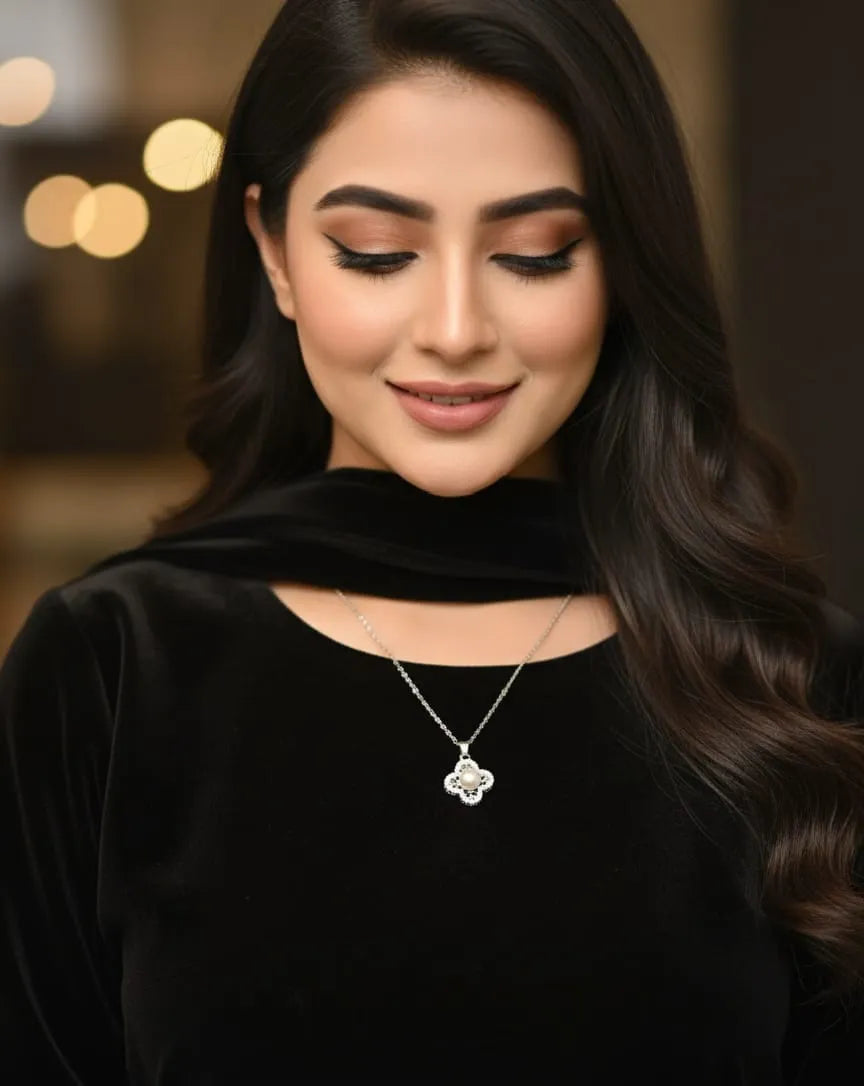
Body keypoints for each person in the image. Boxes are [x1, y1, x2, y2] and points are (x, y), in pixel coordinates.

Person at [1, 0, 862, 1082]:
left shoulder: (797, 681)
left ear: (624, 265)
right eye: (374, 252)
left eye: (537, 254)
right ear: (273, 251)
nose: (455, 329)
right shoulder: (112, 668)